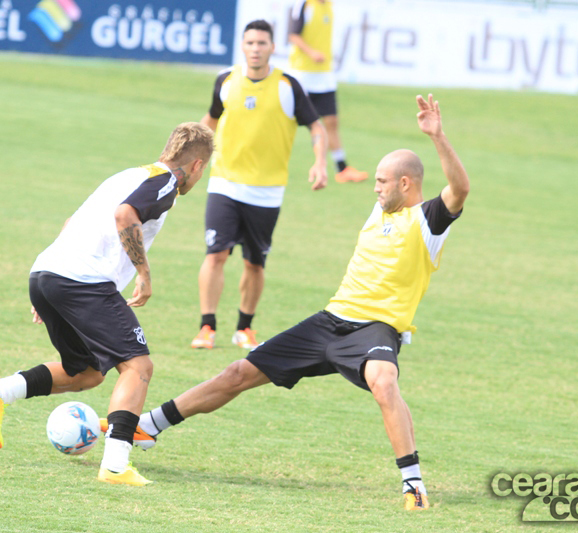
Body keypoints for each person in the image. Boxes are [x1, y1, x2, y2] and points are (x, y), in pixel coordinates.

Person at [136, 95, 469, 510]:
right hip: (329, 321)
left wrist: (437, 136)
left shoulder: (427, 220)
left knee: (384, 383)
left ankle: (413, 484)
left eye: (382, 180)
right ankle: (150, 425)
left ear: (406, 184)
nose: (374, 186)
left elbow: (460, 188)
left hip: (374, 330)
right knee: (238, 372)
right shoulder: (380, 212)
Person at [0, 122, 215, 486]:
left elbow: (73, 220)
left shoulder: (128, 174)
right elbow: (125, 215)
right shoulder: (165, 182)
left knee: (87, 373)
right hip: (82, 281)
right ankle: (116, 465)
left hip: (48, 274)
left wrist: (52, 287)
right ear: (196, 166)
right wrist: (143, 272)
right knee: (138, 367)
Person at [191, 19, 328, 352]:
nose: (255, 49)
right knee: (216, 255)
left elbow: (316, 127)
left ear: (272, 47)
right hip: (224, 183)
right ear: (242, 46)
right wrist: (189, 153)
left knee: (255, 262)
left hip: (267, 191)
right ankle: (207, 326)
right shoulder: (225, 80)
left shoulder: (287, 85)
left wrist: (320, 162)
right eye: (250, 43)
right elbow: (210, 118)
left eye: (262, 43)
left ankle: (244, 328)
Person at [288, 0, 369, 184]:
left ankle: (342, 169)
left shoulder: (330, 6)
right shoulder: (303, 4)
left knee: (331, 121)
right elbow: (293, 35)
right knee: (287, 120)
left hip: (324, 74)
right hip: (302, 73)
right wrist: (311, 53)